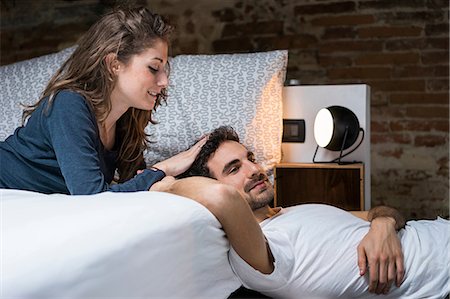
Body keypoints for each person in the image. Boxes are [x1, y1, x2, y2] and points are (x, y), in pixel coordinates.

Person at [152, 126, 450, 299]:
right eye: (234, 168)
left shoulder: (290, 211)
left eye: (250, 159)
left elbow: (380, 211)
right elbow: (221, 197)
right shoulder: (257, 252)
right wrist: (162, 180)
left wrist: (384, 225)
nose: (256, 170)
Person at [0, 6, 205, 195]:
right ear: (113, 64)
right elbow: (92, 197)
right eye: (153, 68)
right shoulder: (68, 105)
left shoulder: (127, 117)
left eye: (164, 69)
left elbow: (136, 183)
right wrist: (163, 168)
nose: (164, 82)